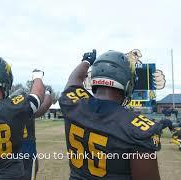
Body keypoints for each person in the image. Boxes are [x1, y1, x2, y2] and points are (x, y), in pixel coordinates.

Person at [59, 50, 162, 180]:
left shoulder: (72, 103)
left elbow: (74, 79)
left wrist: (86, 61)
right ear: (128, 84)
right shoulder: (138, 129)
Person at [9, 86, 53, 180]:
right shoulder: (27, 110)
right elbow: (46, 105)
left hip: (10, 152)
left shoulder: (6, 111)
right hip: (27, 150)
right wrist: (48, 92)